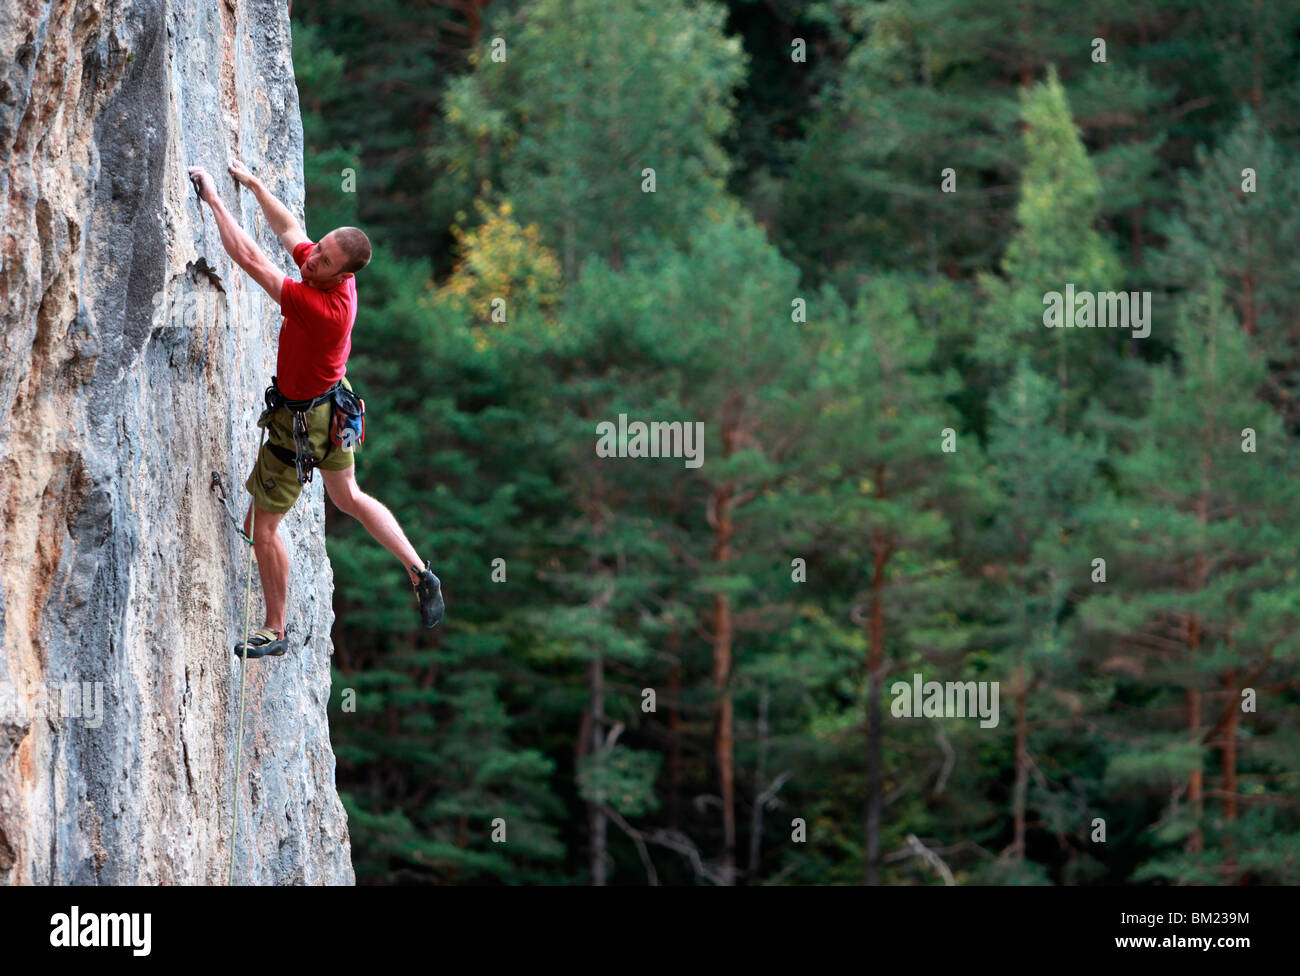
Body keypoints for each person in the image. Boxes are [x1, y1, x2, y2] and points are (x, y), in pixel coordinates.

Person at [187, 160, 443, 658]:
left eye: (322, 262)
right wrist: (257, 186)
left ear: (342, 275)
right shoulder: (330, 273)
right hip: (334, 407)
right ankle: (420, 570)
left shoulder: (321, 307)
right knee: (348, 496)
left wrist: (215, 200)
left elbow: (251, 259)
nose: (312, 260)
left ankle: (275, 629)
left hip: (302, 422)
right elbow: (290, 231)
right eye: (319, 250)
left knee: (262, 529)